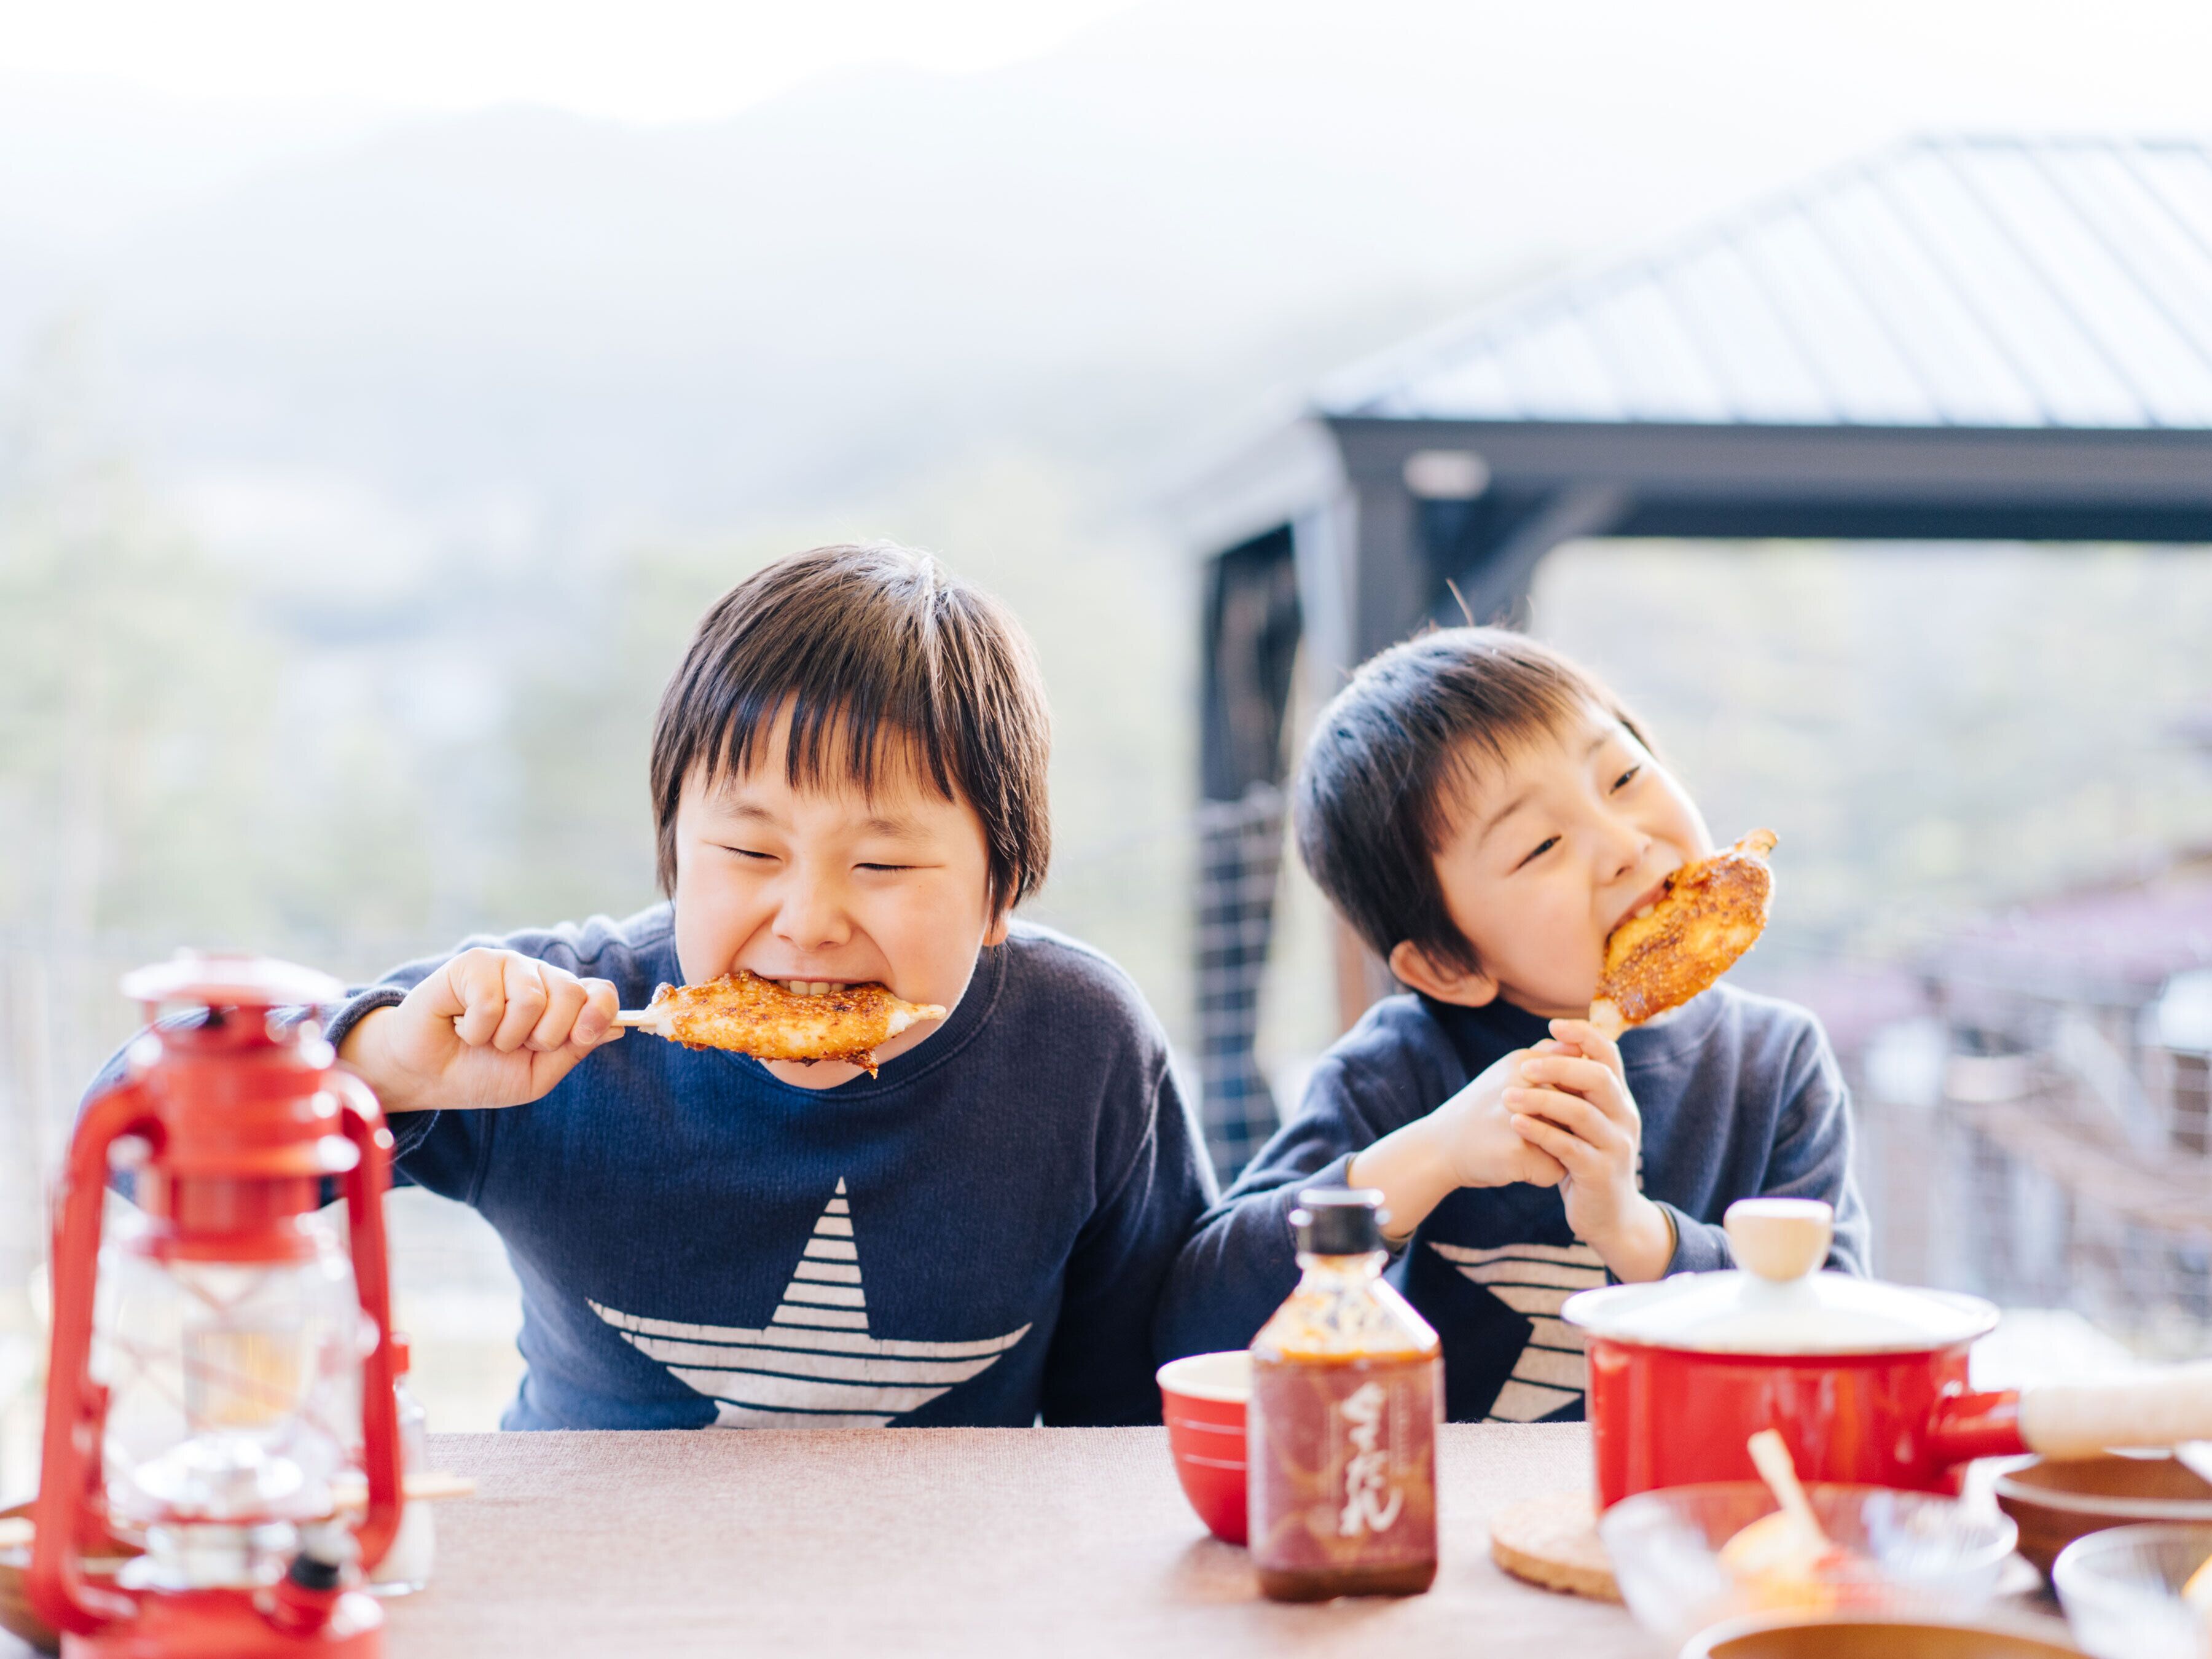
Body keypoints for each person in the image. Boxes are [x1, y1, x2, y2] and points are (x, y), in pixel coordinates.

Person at [254, 543, 1209, 1429]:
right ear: (673, 850)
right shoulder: (548, 1029)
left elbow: (1129, 1430)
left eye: (882, 866)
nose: (808, 919)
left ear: (1000, 889)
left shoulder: (1081, 1051)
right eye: (753, 849)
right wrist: (385, 1070)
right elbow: (140, 1150)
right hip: (590, 1589)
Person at [1155, 627, 1865, 1423]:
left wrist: (1637, 1236)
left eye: (1624, 775)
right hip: (1441, 1521)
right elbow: (1194, 1327)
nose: (1624, 846)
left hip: (1704, 1513)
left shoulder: (1775, 1067)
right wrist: (1434, 1154)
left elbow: (1840, 1339)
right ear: (1447, 964)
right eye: (1542, 846)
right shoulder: (1391, 1075)